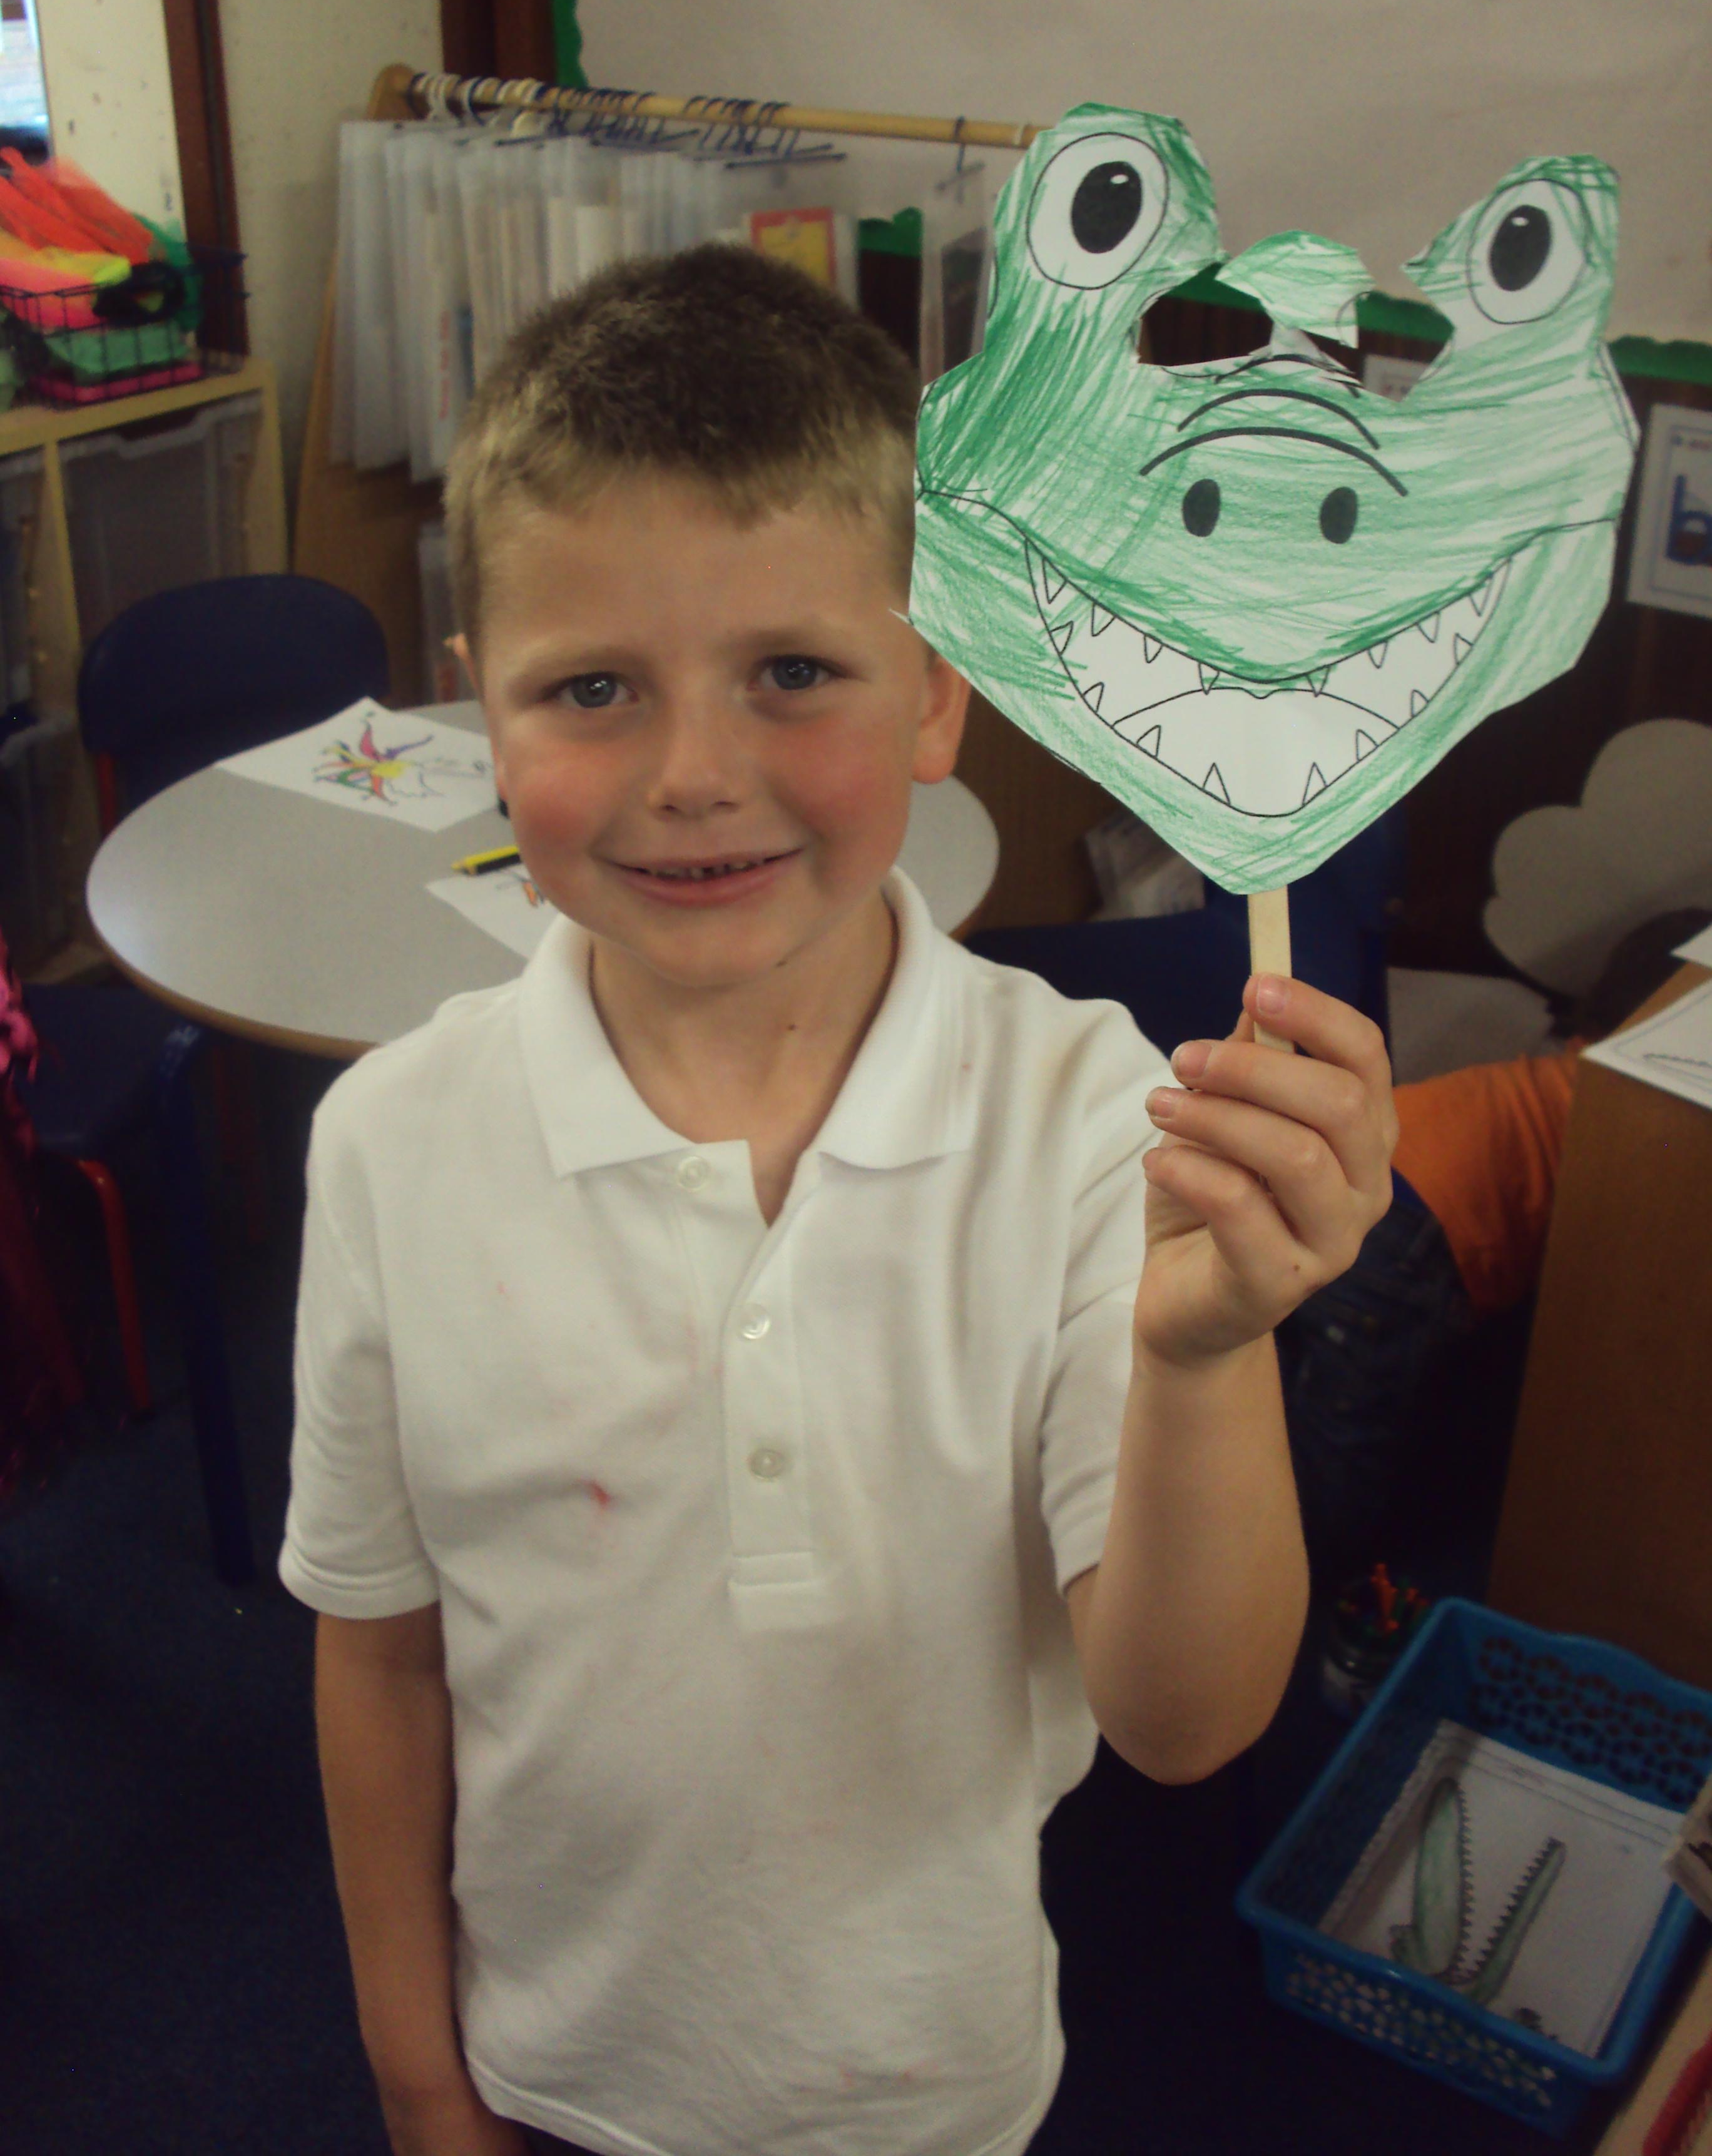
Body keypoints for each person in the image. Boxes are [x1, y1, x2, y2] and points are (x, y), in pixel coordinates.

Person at [280, 244, 1395, 2156]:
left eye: (793, 673)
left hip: (926, 2087)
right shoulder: (390, 1142)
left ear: (938, 693)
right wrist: (415, 2074)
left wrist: (1205, 1356)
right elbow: (379, 1656)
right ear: (482, 721)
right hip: (547, 2066)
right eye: (593, 689)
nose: (694, 775)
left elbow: (1185, 1720)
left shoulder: (1091, 1118)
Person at [1276, 906, 1709, 1576]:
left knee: (1321, 1388)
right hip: (1412, 1229)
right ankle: (1310, 1576)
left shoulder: (1571, 1069)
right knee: (1348, 1436)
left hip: (1390, 1172)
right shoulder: (1627, 1117)